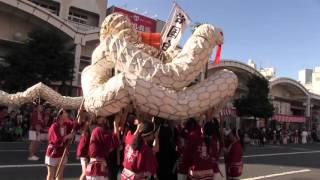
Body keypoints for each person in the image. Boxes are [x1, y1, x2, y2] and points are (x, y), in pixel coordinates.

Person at [86, 115, 120, 180]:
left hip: (93, 167)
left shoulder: (95, 130)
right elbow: (115, 141)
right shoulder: (99, 130)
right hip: (97, 169)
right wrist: (116, 124)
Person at [45, 109, 74, 180]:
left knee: (60, 175)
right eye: (66, 112)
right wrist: (67, 136)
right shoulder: (54, 126)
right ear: (60, 115)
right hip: (53, 152)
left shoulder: (66, 124)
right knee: (51, 175)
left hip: (62, 152)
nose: (68, 114)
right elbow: (56, 140)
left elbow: (76, 125)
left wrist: (81, 114)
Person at [77, 112, 91, 180]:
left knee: (87, 173)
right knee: (85, 172)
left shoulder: (89, 128)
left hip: (88, 153)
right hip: (84, 153)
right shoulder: (85, 128)